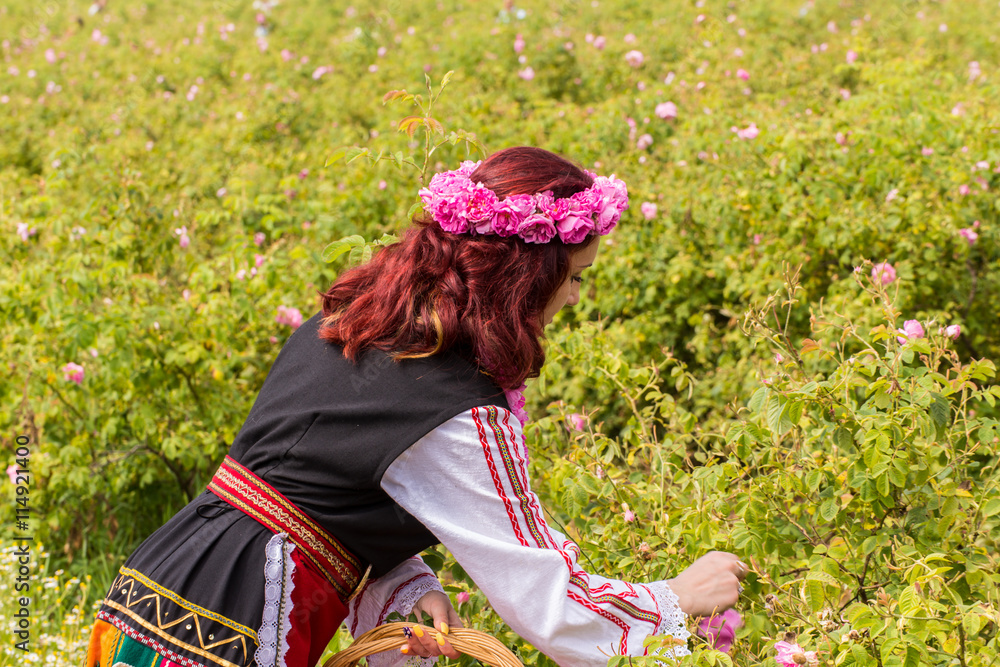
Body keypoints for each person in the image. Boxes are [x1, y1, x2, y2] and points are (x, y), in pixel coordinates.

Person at [85, 146, 746, 667]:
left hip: (152, 593)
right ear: (526, 278)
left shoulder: (350, 326)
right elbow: (544, 593)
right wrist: (675, 599)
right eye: (573, 277)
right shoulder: (455, 403)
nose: (573, 297)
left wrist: (406, 580)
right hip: (229, 627)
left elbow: (313, 489)